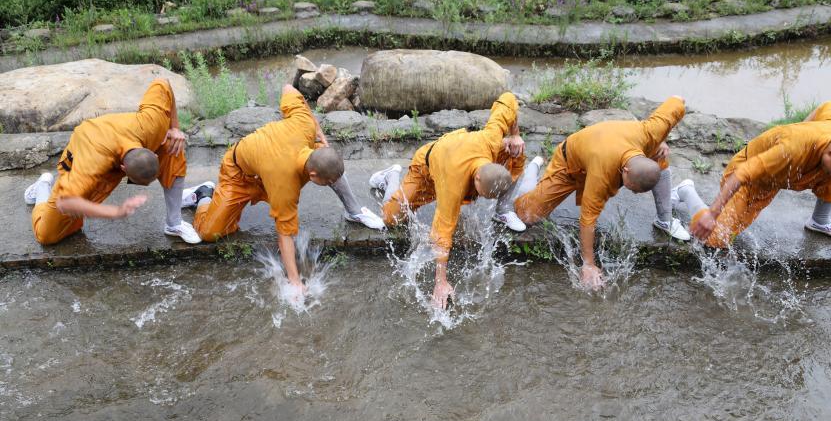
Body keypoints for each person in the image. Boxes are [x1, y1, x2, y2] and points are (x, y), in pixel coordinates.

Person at [186, 84, 383, 290]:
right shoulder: (285, 185)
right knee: (210, 233)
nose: (329, 185)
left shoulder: (305, 124)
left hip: (279, 163)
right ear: (312, 176)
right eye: (325, 183)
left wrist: (319, 132)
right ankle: (203, 195)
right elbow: (284, 236)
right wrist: (295, 282)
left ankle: (354, 211)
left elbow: (289, 88)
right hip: (240, 174)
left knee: (327, 159)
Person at [506, 96, 688, 290]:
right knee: (527, 215)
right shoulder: (602, 174)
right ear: (624, 171)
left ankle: (664, 219)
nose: (633, 194)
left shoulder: (652, 132)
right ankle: (534, 168)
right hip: (570, 163)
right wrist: (589, 264)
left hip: (609, 146)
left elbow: (679, 101)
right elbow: (587, 219)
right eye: (632, 189)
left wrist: (661, 139)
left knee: (659, 160)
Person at [368, 92, 528, 309]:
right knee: (391, 217)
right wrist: (440, 283)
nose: (479, 198)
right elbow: (442, 232)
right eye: (479, 193)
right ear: (477, 177)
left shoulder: (491, 140)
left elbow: (508, 99)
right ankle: (391, 177)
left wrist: (515, 135)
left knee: (515, 151)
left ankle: (503, 210)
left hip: (456, 154)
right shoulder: (454, 186)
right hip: (426, 170)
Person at [24, 78, 200, 245]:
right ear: (123, 169)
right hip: (87, 145)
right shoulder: (89, 168)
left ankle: (174, 223)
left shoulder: (152, 124)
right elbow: (66, 202)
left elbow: (163, 84)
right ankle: (42, 187)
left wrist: (175, 128)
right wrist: (115, 212)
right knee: (48, 235)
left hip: (116, 135)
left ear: (153, 154)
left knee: (172, 144)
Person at [675, 100, 831, 247]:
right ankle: (686, 191)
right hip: (751, 179)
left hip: (776, 179)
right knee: (717, 239)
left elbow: (827, 106)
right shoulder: (790, 151)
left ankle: (820, 221)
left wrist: (803, 125)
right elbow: (742, 174)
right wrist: (712, 213)